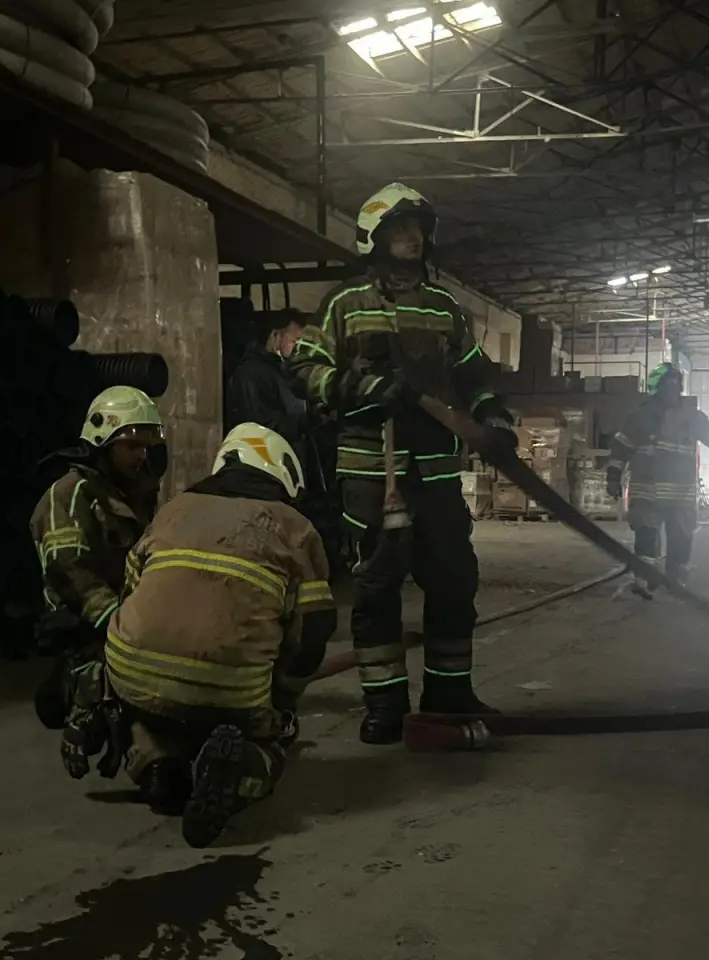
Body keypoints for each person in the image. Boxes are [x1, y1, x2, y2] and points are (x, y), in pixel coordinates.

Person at [290, 181, 516, 745]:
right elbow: (305, 370)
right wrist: (359, 386)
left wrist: (495, 419)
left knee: (453, 583)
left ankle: (447, 695)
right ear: (375, 237)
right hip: (371, 472)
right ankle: (385, 705)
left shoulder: (446, 309)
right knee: (375, 591)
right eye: (399, 229)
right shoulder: (345, 305)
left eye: (417, 230)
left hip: (437, 473)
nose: (411, 238)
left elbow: (473, 376)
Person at [59, 423, 337, 849]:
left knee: (148, 704)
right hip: (231, 685)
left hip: (133, 669)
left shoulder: (173, 508)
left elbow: (131, 592)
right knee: (271, 739)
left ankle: (155, 767)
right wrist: (280, 698)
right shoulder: (296, 527)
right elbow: (316, 629)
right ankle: (246, 763)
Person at [29, 386, 166, 730]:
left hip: (128, 620)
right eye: (132, 446)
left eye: (146, 447)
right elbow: (70, 572)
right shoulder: (70, 494)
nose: (141, 456)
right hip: (86, 626)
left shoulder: (133, 495)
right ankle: (74, 692)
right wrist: (119, 623)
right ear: (103, 442)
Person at [606, 363, 709, 598]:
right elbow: (620, 448)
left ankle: (672, 578)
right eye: (668, 385)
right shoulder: (641, 417)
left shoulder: (689, 417)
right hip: (651, 491)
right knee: (648, 534)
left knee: (679, 536)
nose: (672, 390)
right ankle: (647, 578)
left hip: (675, 493)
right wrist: (612, 477)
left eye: (675, 385)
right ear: (659, 388)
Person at [226, 308, 309, 453]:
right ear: (275, 336)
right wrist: (304, 420)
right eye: (293, 341)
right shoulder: (251, 373)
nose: (298, 348)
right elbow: (260, 425)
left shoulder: (286, 371)